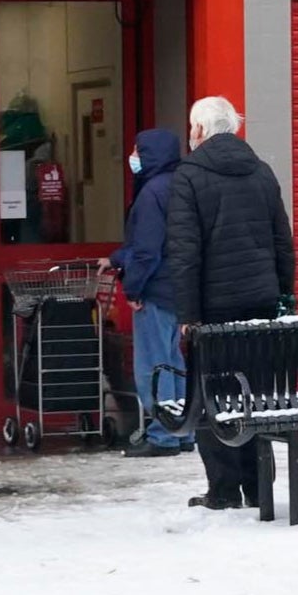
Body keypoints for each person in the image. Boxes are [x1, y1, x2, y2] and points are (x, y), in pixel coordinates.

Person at [160, 93, 296, 517]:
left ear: (199, 130)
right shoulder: (261, 172)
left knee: (210, 395)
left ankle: (223, 487)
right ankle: (258, 486)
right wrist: (283, 294)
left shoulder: (189, 177)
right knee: (255, 393)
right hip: (259, 303)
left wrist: (188, 316)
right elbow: (281, 243)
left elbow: (185, 252)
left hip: (214, 308)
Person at [110, 123, 187, 453]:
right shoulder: (179, 186)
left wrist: (133, 288)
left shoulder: (152, 193)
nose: (133, 157)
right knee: (174, 363)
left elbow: (147, 251)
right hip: (179, 289)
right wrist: (115, 258)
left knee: (153, 367)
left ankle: (163, 434)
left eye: (138, 151)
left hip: (156, 290)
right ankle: (183, 430)